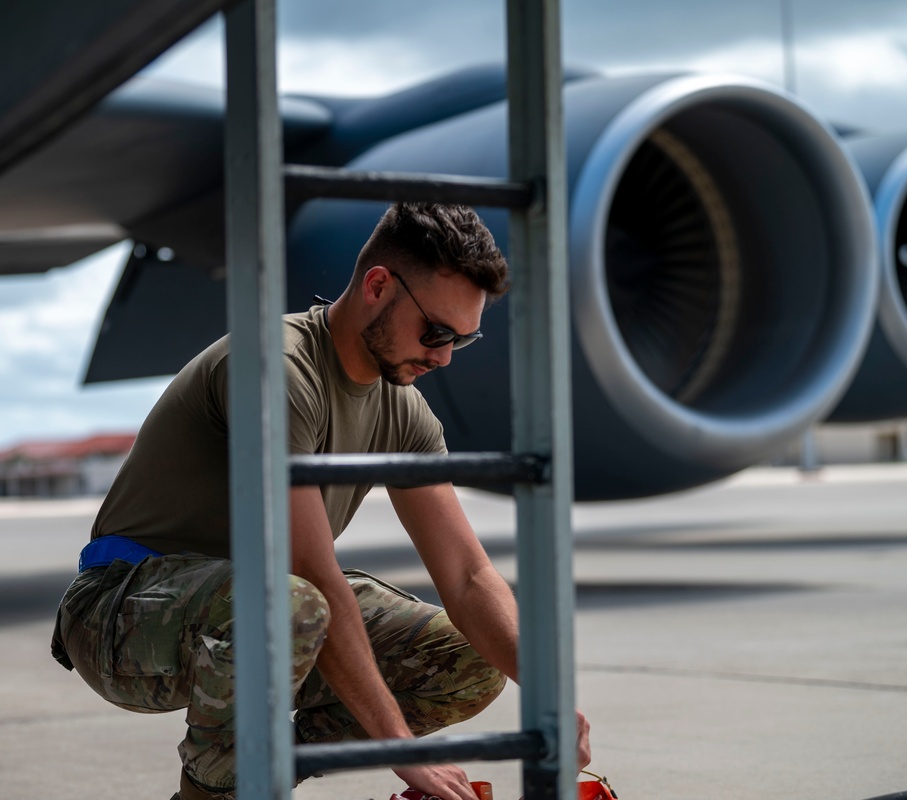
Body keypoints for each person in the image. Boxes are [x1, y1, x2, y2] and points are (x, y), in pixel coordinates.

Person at [51, 202, 591, 800]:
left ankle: (269, 768)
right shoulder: (275, 370)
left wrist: (548, 697)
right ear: (378, 286)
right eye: (436, 332)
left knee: (469, 660)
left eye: (462, 339)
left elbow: (466, 575)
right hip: (120, 611)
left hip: (260, 610)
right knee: (296, 603)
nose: (442, 356)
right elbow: (307, 570)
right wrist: (399, 748)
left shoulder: (403, 411)